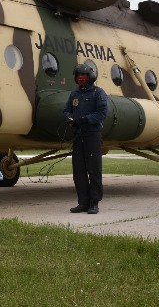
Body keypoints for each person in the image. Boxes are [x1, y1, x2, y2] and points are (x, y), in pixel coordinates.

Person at [63, 63, 108, 215]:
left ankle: (94, 203)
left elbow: (101, 114)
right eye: (78, 76)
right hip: (78, 136)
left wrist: (82, 119)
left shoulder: (98, 93)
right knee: (79, 171)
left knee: (94, 170)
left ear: (90, 77)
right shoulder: (74, 94)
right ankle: (83, 202)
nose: (81, 78)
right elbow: (67, 109)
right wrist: (68, 117)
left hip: (92, 136)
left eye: (84, 75)